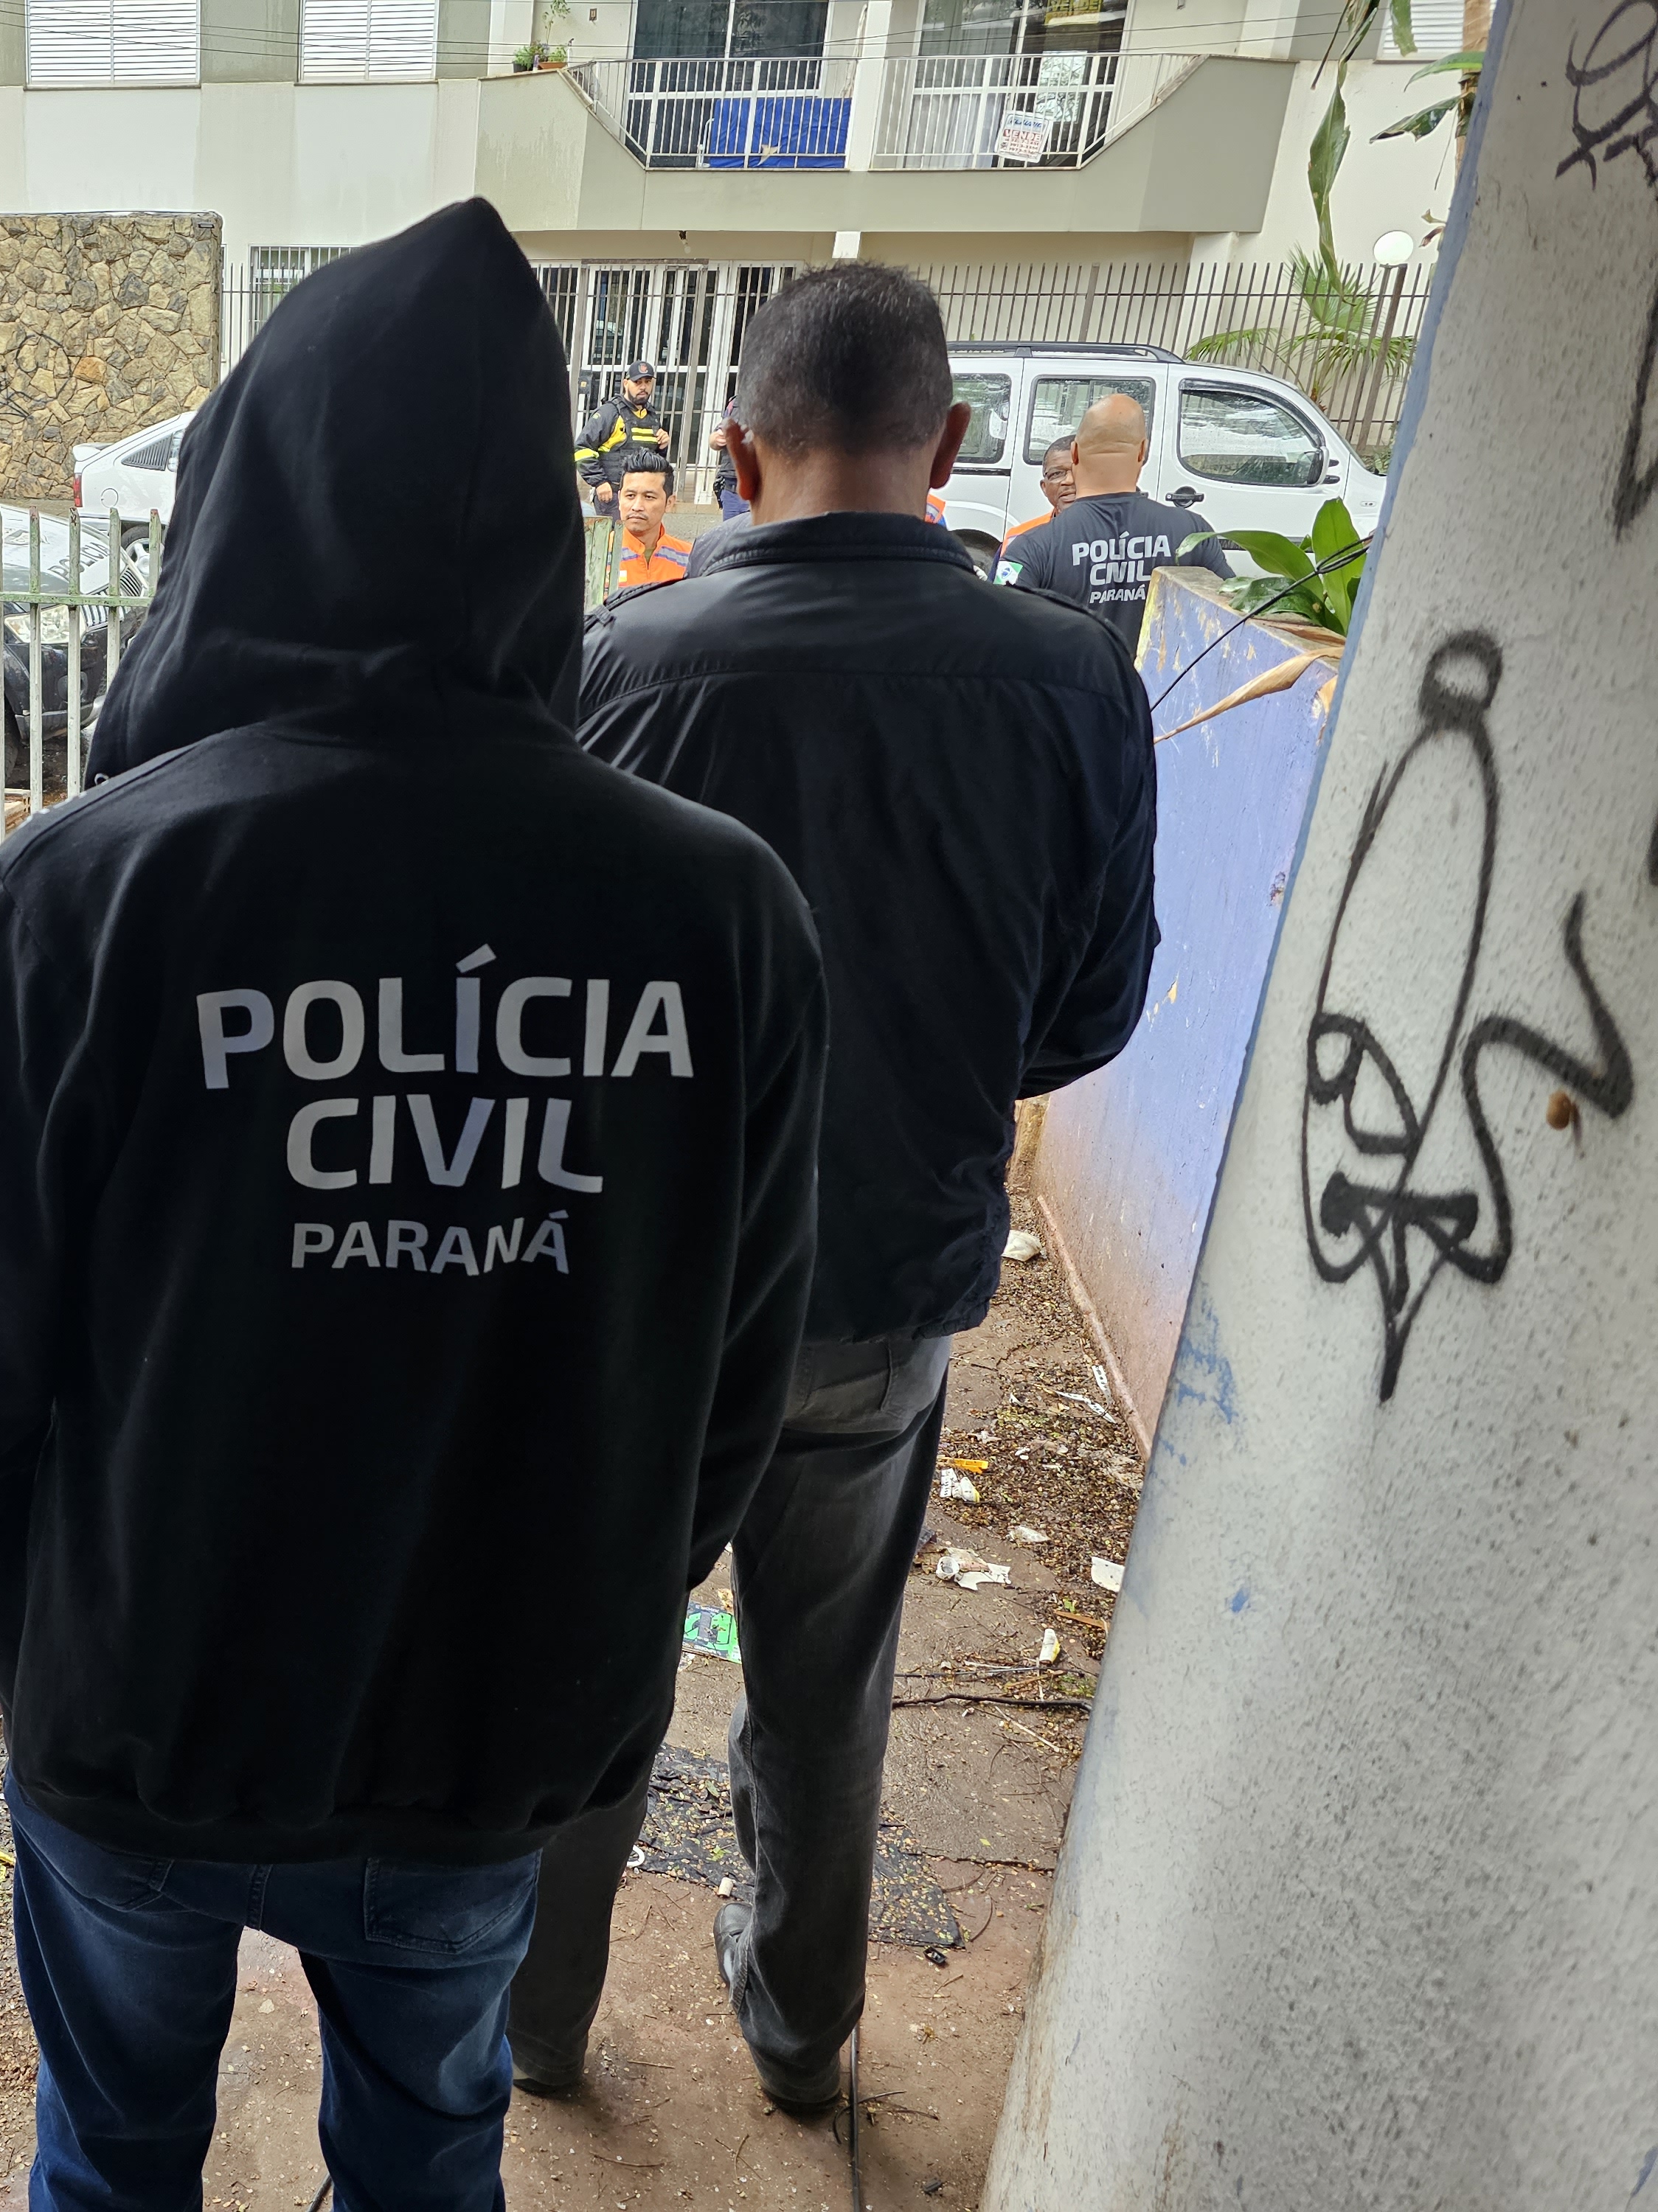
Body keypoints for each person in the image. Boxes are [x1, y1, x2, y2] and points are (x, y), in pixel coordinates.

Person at [0, 198, 828, 2212]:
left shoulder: (84, 892)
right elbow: (742, 1355)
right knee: (422, 2149)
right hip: (485, 1725)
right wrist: (615, 1596)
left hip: (140, 1706)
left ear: (249, 498)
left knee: (115, 2148)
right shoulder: (718, 911)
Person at [561, 263, 1156, 2118]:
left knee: (586, 1676)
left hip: (644, 1300)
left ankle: (523, 2028)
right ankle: (802, 2038)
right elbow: (1087, 1009)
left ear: (731, 454)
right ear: (953, 447)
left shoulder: (618, 668)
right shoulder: (1067, 680)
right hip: (885, 1280)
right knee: (825, 1685)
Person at [995, 395, 1231, 644]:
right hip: (1160, 682)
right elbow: (1236, 612)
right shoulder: (1193, 532)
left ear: (1074, 453)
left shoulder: (1029, 548)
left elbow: (996, 630)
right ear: (1143, 451)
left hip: (1070, 681)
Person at [573, 361, 668, 512]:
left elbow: (650, 458)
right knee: (614, 537)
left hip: (643, 496)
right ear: (626, 383)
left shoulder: (652, 415)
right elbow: (582, 449)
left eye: (647, 382)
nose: (643, 387)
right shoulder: (609, 413)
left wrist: (662, 448)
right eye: (637, 382)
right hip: (614, 496)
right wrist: (599, 482)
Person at [609, 446, 689, 591]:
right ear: (620, 499)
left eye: (649, 497)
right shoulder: (596, 555)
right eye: (630, 496)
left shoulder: (689, 558)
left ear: (669, 503)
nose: (637, 506)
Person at [1005, 433, 1078, 540]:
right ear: (1044, 487)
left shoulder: (1111, 535)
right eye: (1057, 474)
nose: (1069, 480)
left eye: (1079, 471)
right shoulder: (1019, 538)